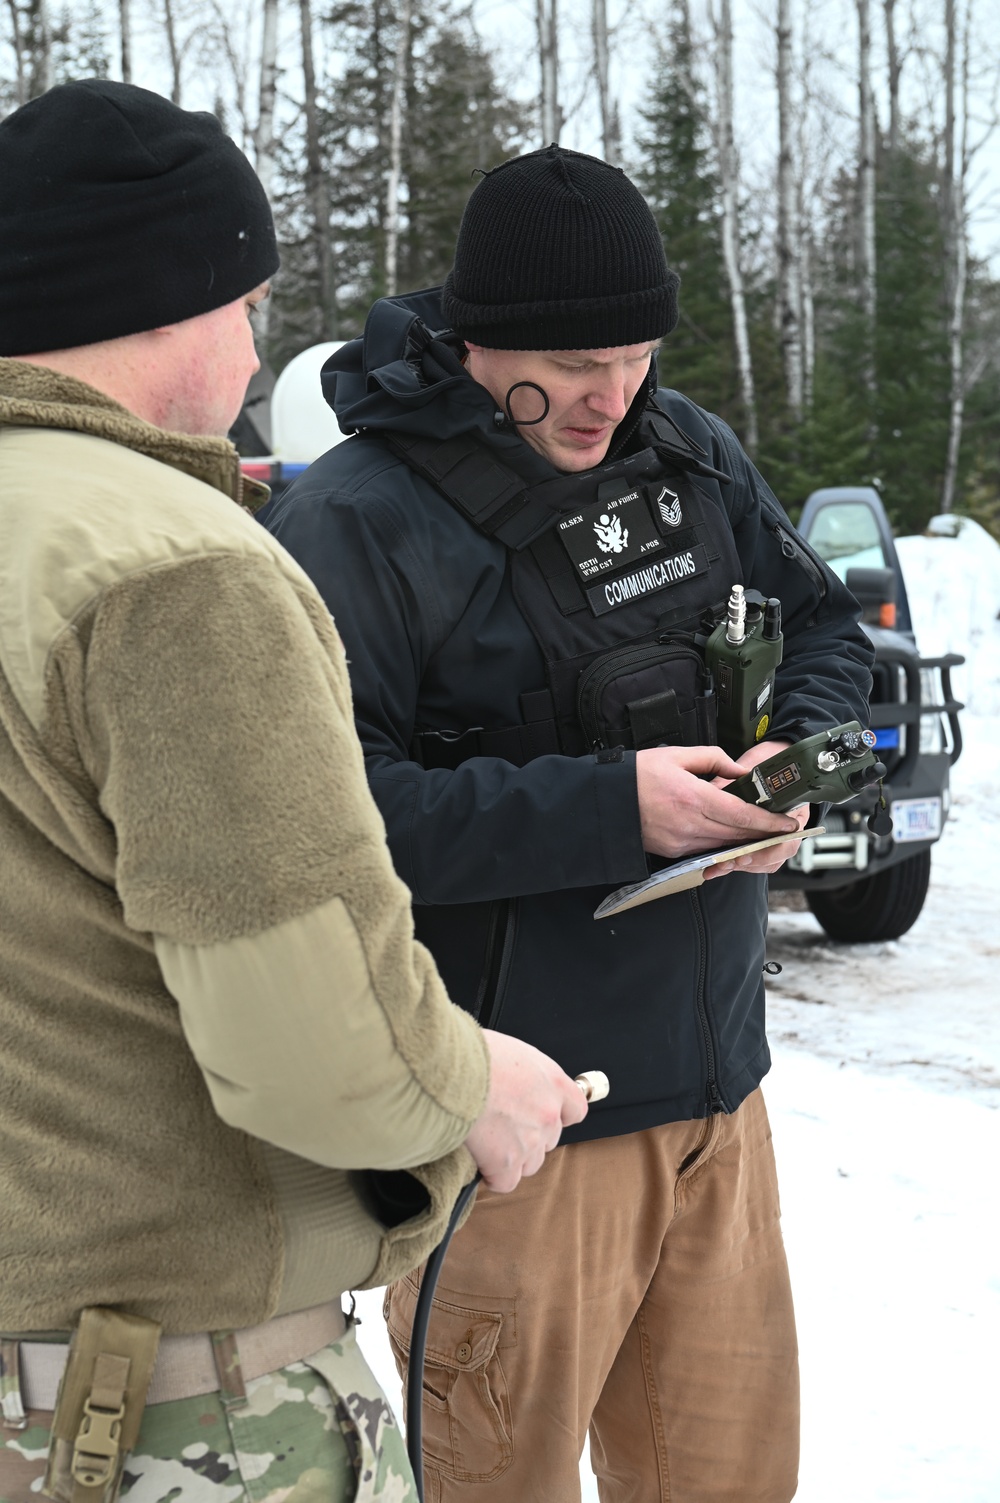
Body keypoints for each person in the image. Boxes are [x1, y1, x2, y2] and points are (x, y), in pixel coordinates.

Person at [0, 86, 588, 1503]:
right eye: (247, 301)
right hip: (173, 1418)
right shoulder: (174, 569)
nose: (258, 347)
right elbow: (314, 1047)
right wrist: (471, 1086)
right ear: (165, 298)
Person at [266, 146, 874, 1503]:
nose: (610, 397)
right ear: (479, 340)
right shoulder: (355, 523)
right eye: (573, 364)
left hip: (719, 1101)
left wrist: (793, 763)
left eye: (635, 355)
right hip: (517, 1145)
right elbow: (323, 819)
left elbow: (828, 624)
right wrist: (614, 809)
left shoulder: (685, 447)